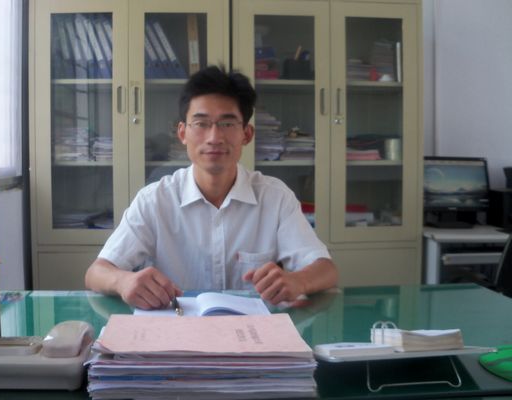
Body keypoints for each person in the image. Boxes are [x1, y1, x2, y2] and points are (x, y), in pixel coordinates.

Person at [85, 65, 338, 309]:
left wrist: (297, 280)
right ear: (182, 133)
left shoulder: (275, 197)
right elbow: (97, 272)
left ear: (247, 134)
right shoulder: (154, 200)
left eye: (227, 124)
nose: (214, 137)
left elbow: (326, 270)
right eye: (201, 123)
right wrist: (123, 281)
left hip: (251, 331)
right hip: (176, 328)